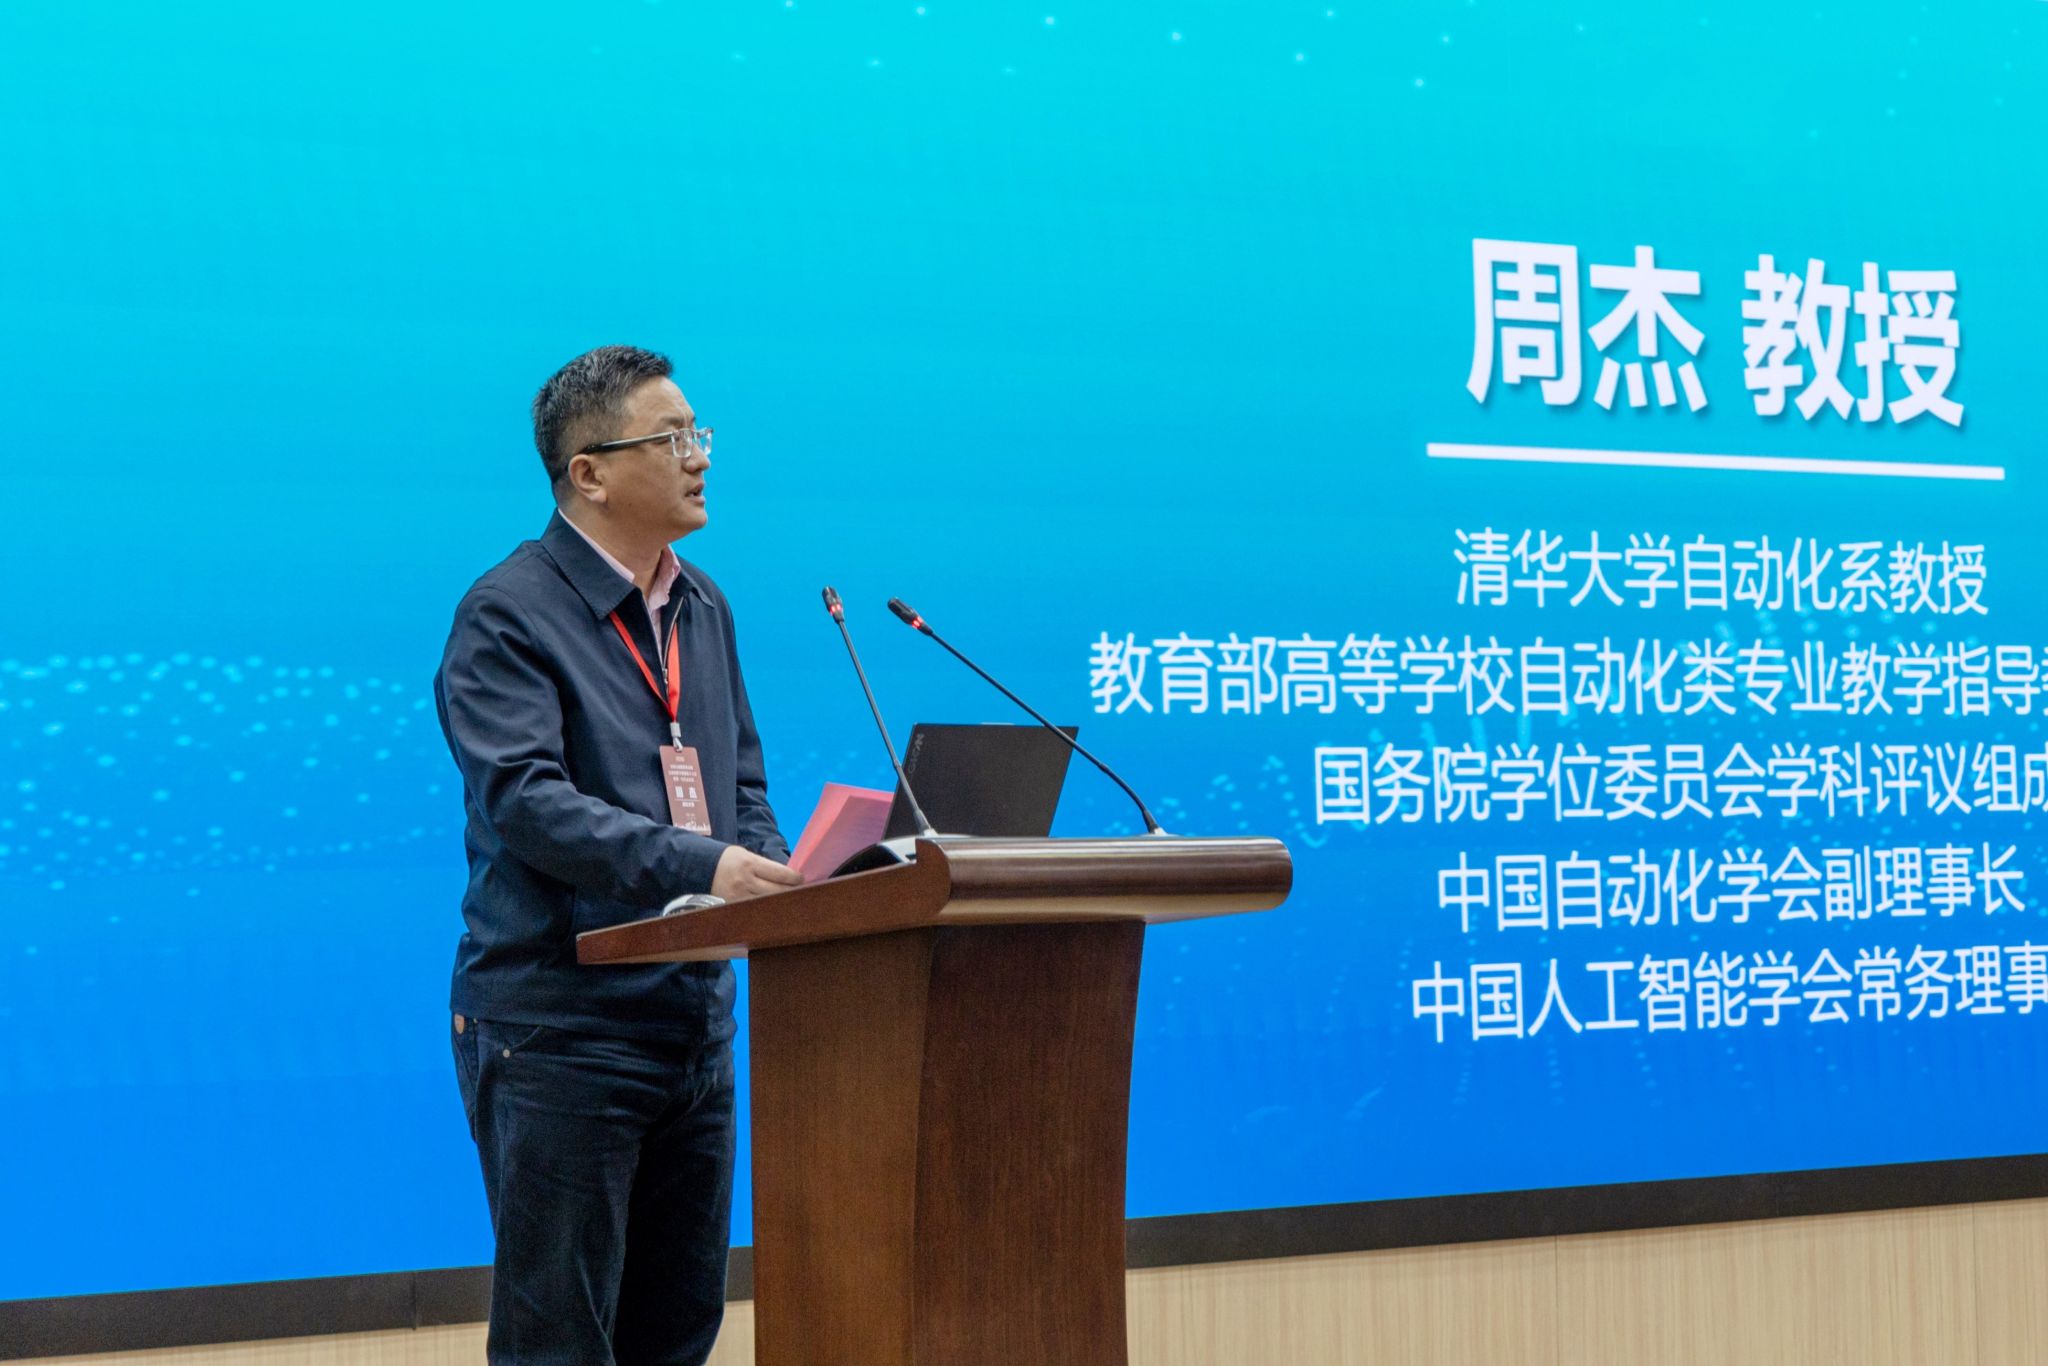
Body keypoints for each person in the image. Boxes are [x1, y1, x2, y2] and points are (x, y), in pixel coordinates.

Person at [433, 344, 804, 1364]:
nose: (700, 458)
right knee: (561, 1342)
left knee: (675, 1335)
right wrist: (704, 867)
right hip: (562, 1026)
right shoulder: (507, 612)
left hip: (693, 1025)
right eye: (673, 439)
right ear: (588, 472)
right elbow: (527, 804)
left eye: (700, 435)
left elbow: (739, 788)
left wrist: (776, 875)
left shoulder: (703, 604)